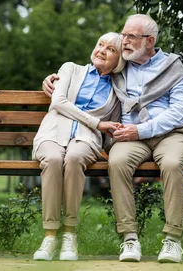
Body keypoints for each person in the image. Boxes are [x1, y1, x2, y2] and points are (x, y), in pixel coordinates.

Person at [42, 14, 183, 263]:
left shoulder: (171, 66)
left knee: (172, 164)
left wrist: (140, 130)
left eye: (131, 36)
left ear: (149, 41)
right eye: (123, 35)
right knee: (117, 162)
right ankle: (129, 238)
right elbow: (93, 70)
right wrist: (52, 79)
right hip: (131, 137)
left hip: (170, 134)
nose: (124, 41)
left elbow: (178, 113)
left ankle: (173, 239)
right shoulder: (122, 66)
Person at [32, 32, 125, 261]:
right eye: (100, 45)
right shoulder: (70, 69)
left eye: (111, 49)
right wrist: (98, 123)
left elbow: (114, 125)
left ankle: (70, 235)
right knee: (53, 160)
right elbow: (59, 101)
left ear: (120, 60)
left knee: (73, 159)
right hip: (52, 131)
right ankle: (50, 236)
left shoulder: (119, 88)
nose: (102, 50)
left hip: (86, 139)